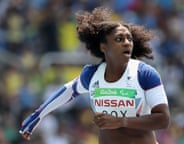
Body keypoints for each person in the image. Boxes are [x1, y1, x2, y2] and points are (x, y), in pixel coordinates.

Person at [19, 7, 170, 144]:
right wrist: (38, 115)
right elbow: (67, 92)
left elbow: (163, 119)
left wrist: (121, 121)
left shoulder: (145, 74)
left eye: (129, 39)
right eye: (119, 39)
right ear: (103, 46)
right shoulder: (92, 75)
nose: (127, 43)